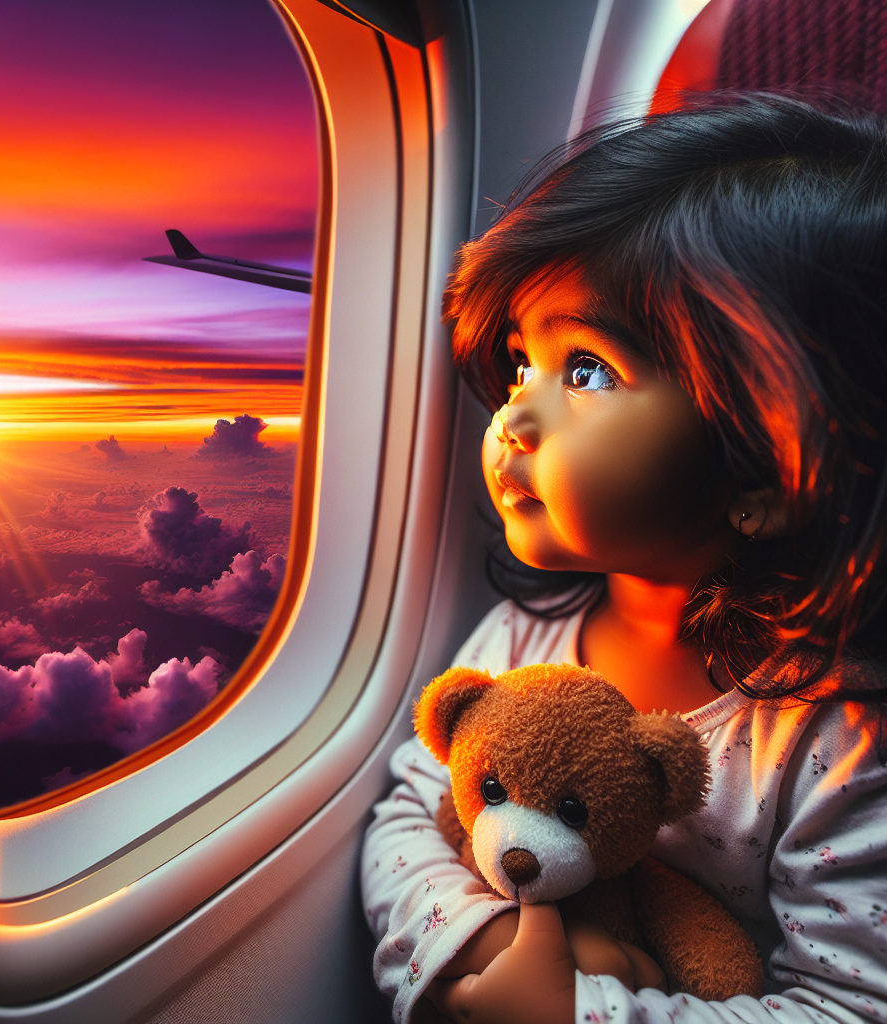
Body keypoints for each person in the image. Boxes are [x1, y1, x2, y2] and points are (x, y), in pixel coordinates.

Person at [361, 95, 886, 1024]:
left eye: (588, 371)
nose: (512, 417)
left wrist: (577, 1012)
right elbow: (411, 820)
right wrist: (487, 940)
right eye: (523, 363)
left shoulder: (833, 743)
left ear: (766, 467)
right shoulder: (527, 636)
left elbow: (848, 1005)